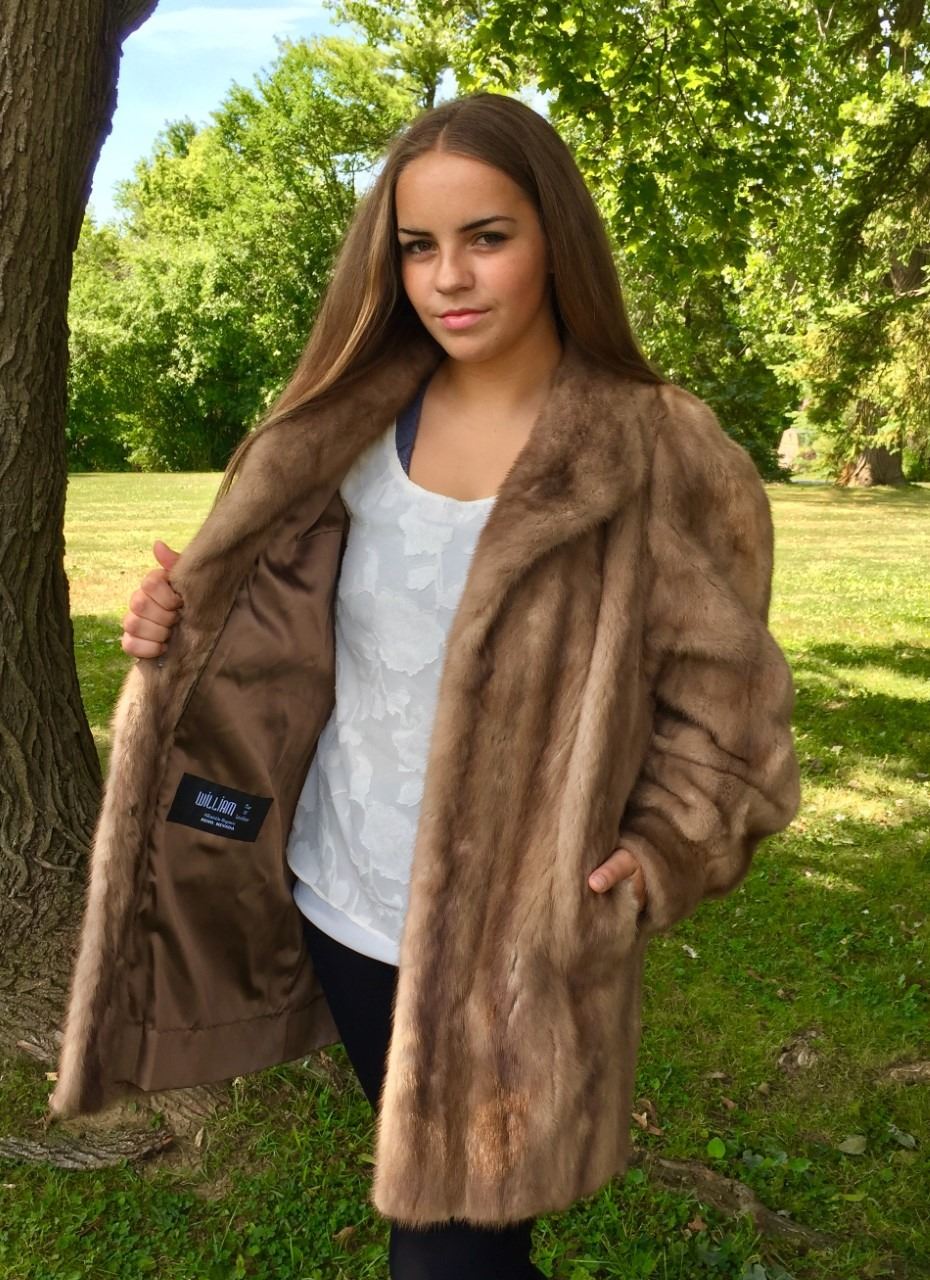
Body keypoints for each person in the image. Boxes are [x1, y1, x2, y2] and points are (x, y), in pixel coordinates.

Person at [56, 90, 801, 1280]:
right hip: (341, 896)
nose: (448, 276)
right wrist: (172, 624)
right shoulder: (350, 421)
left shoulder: (659, 450)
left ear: (555, 237)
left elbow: (734, 721)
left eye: (486, 236)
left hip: (520, 945)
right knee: (457, 1238)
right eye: (417, 245)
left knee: (446, 1259)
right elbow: (278, 628)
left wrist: (660, 850)